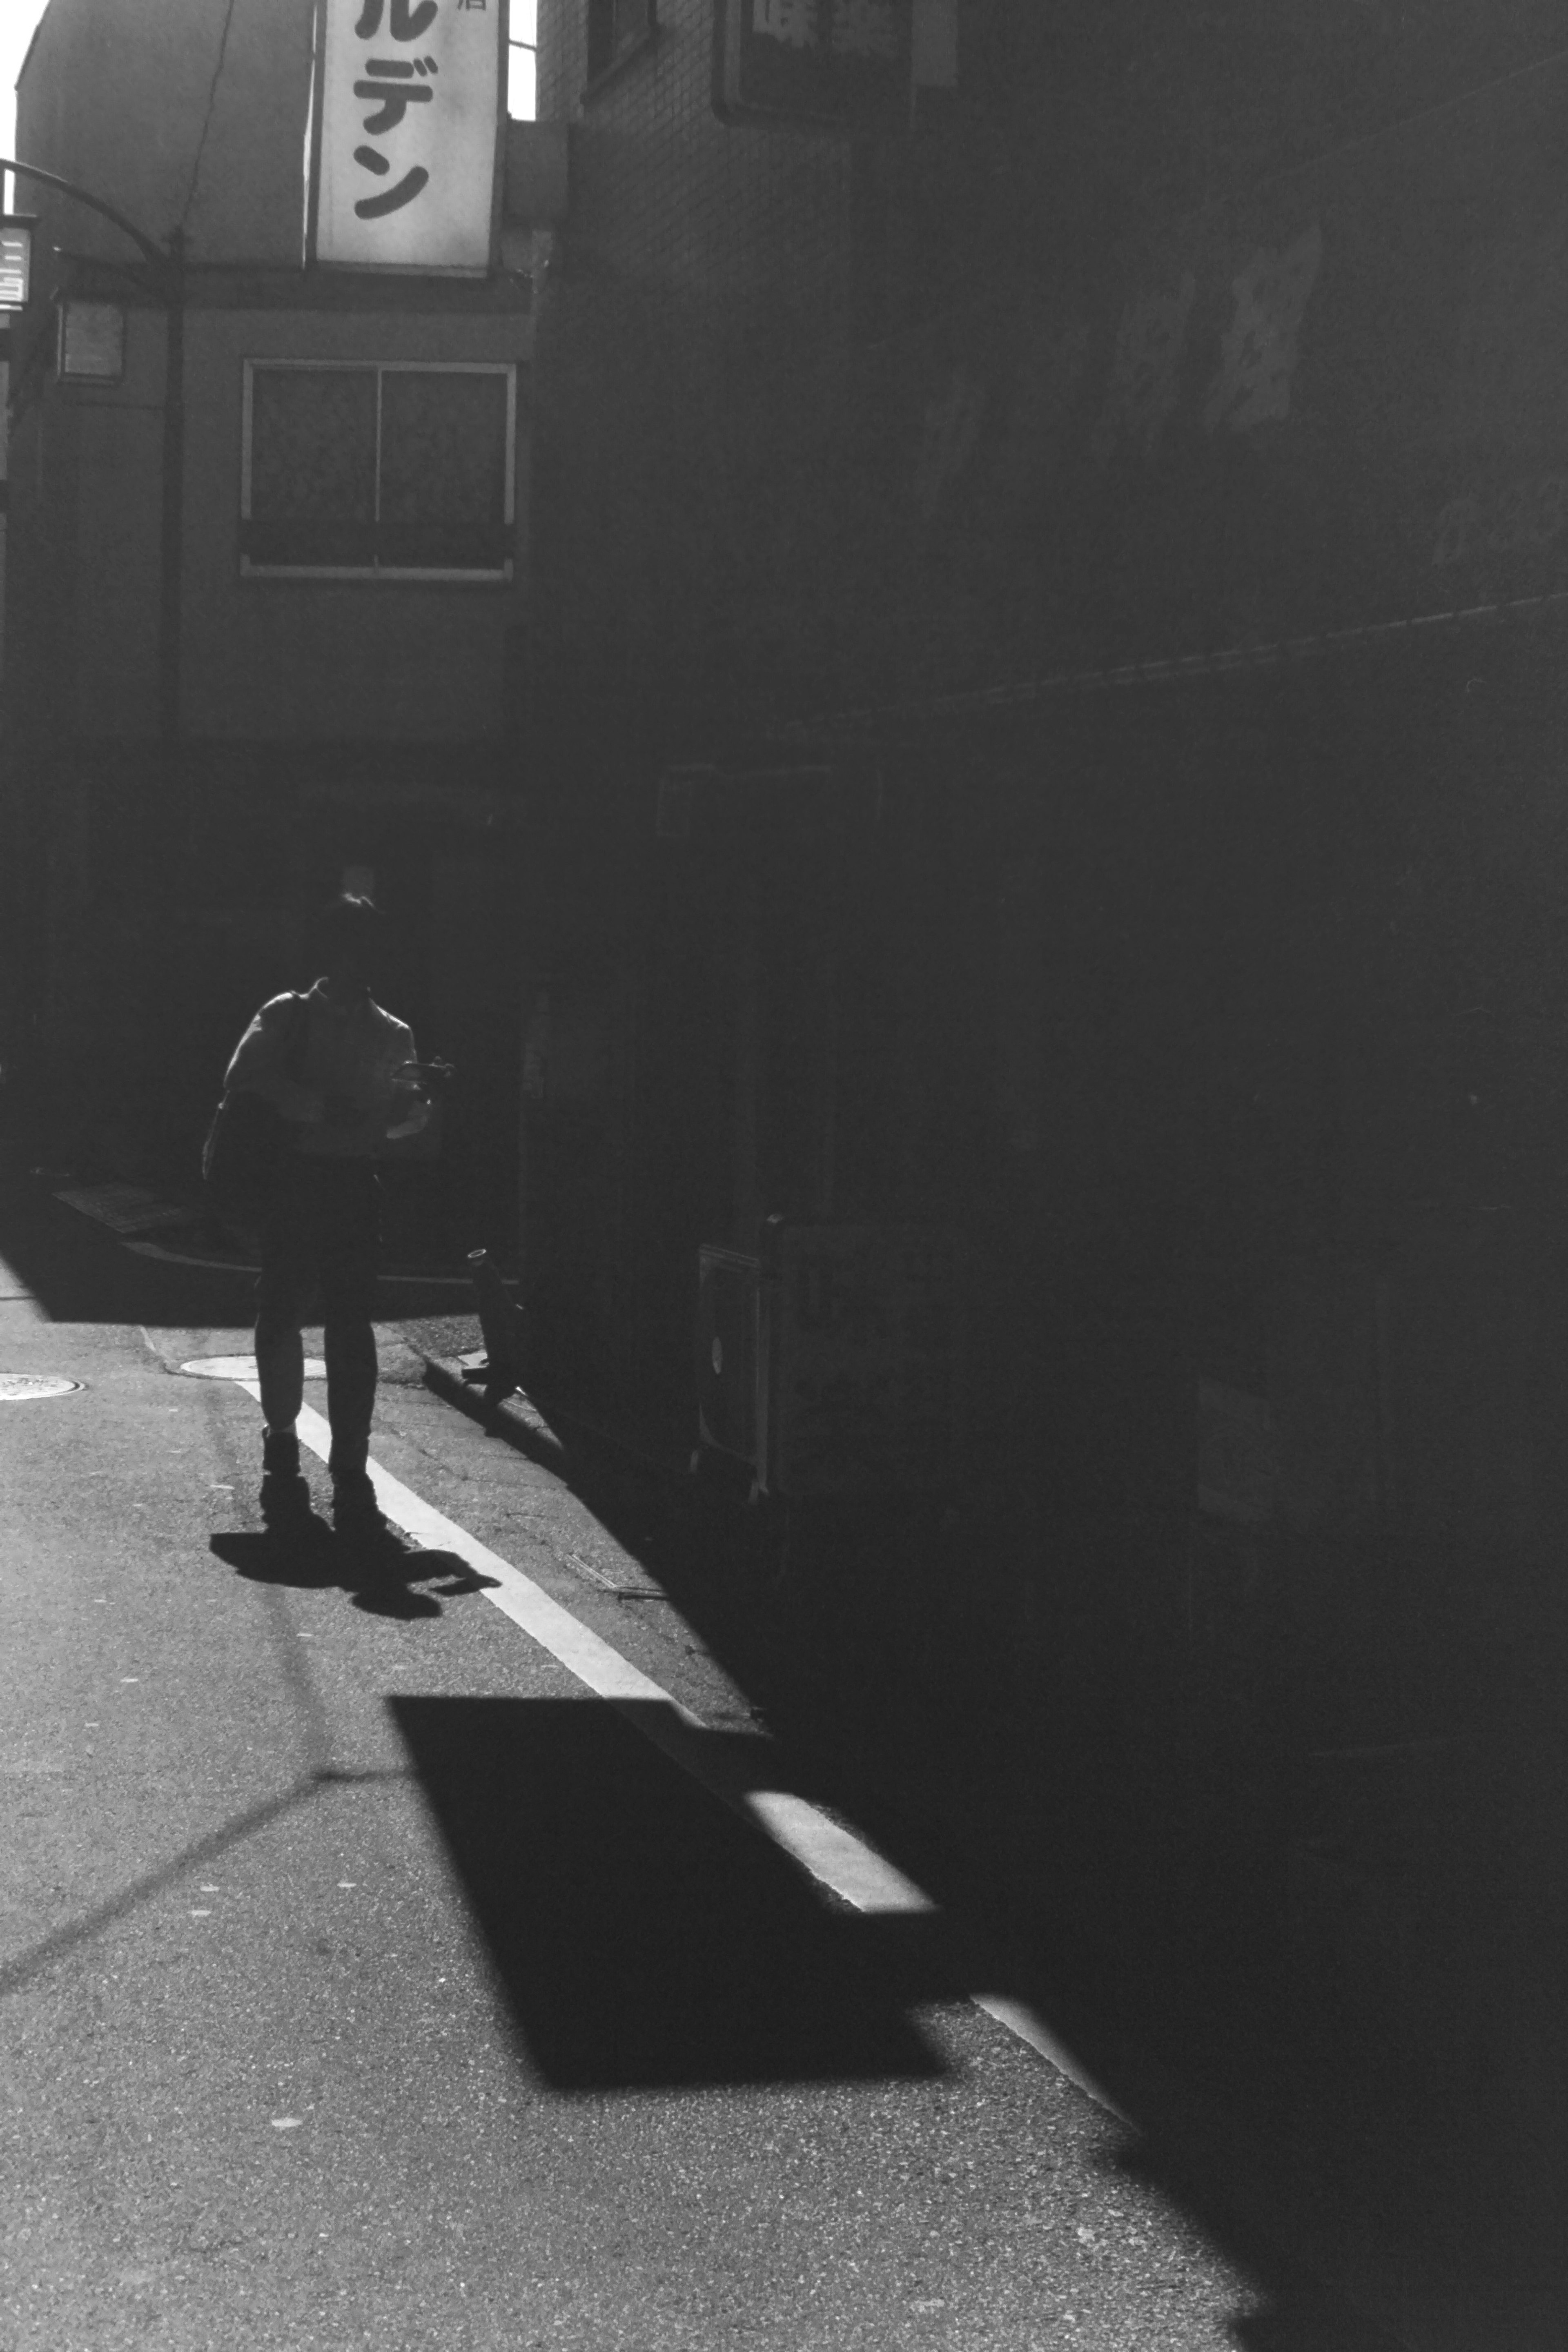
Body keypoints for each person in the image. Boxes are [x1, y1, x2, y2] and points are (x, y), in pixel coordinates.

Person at [219, 894, 430, 1539]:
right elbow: (243, 1081)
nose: (358, 962)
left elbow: (411, 1118)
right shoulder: (288, 1015)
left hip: (351, 1184)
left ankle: (350, 1461)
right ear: (331, 950)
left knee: (349, 1323)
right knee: (284, 1310)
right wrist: (320, 1108)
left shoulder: (394, 1031)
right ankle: (283, 1436)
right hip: (297, 1177)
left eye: (368, 949)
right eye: (349, 946)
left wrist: (411, 1106)